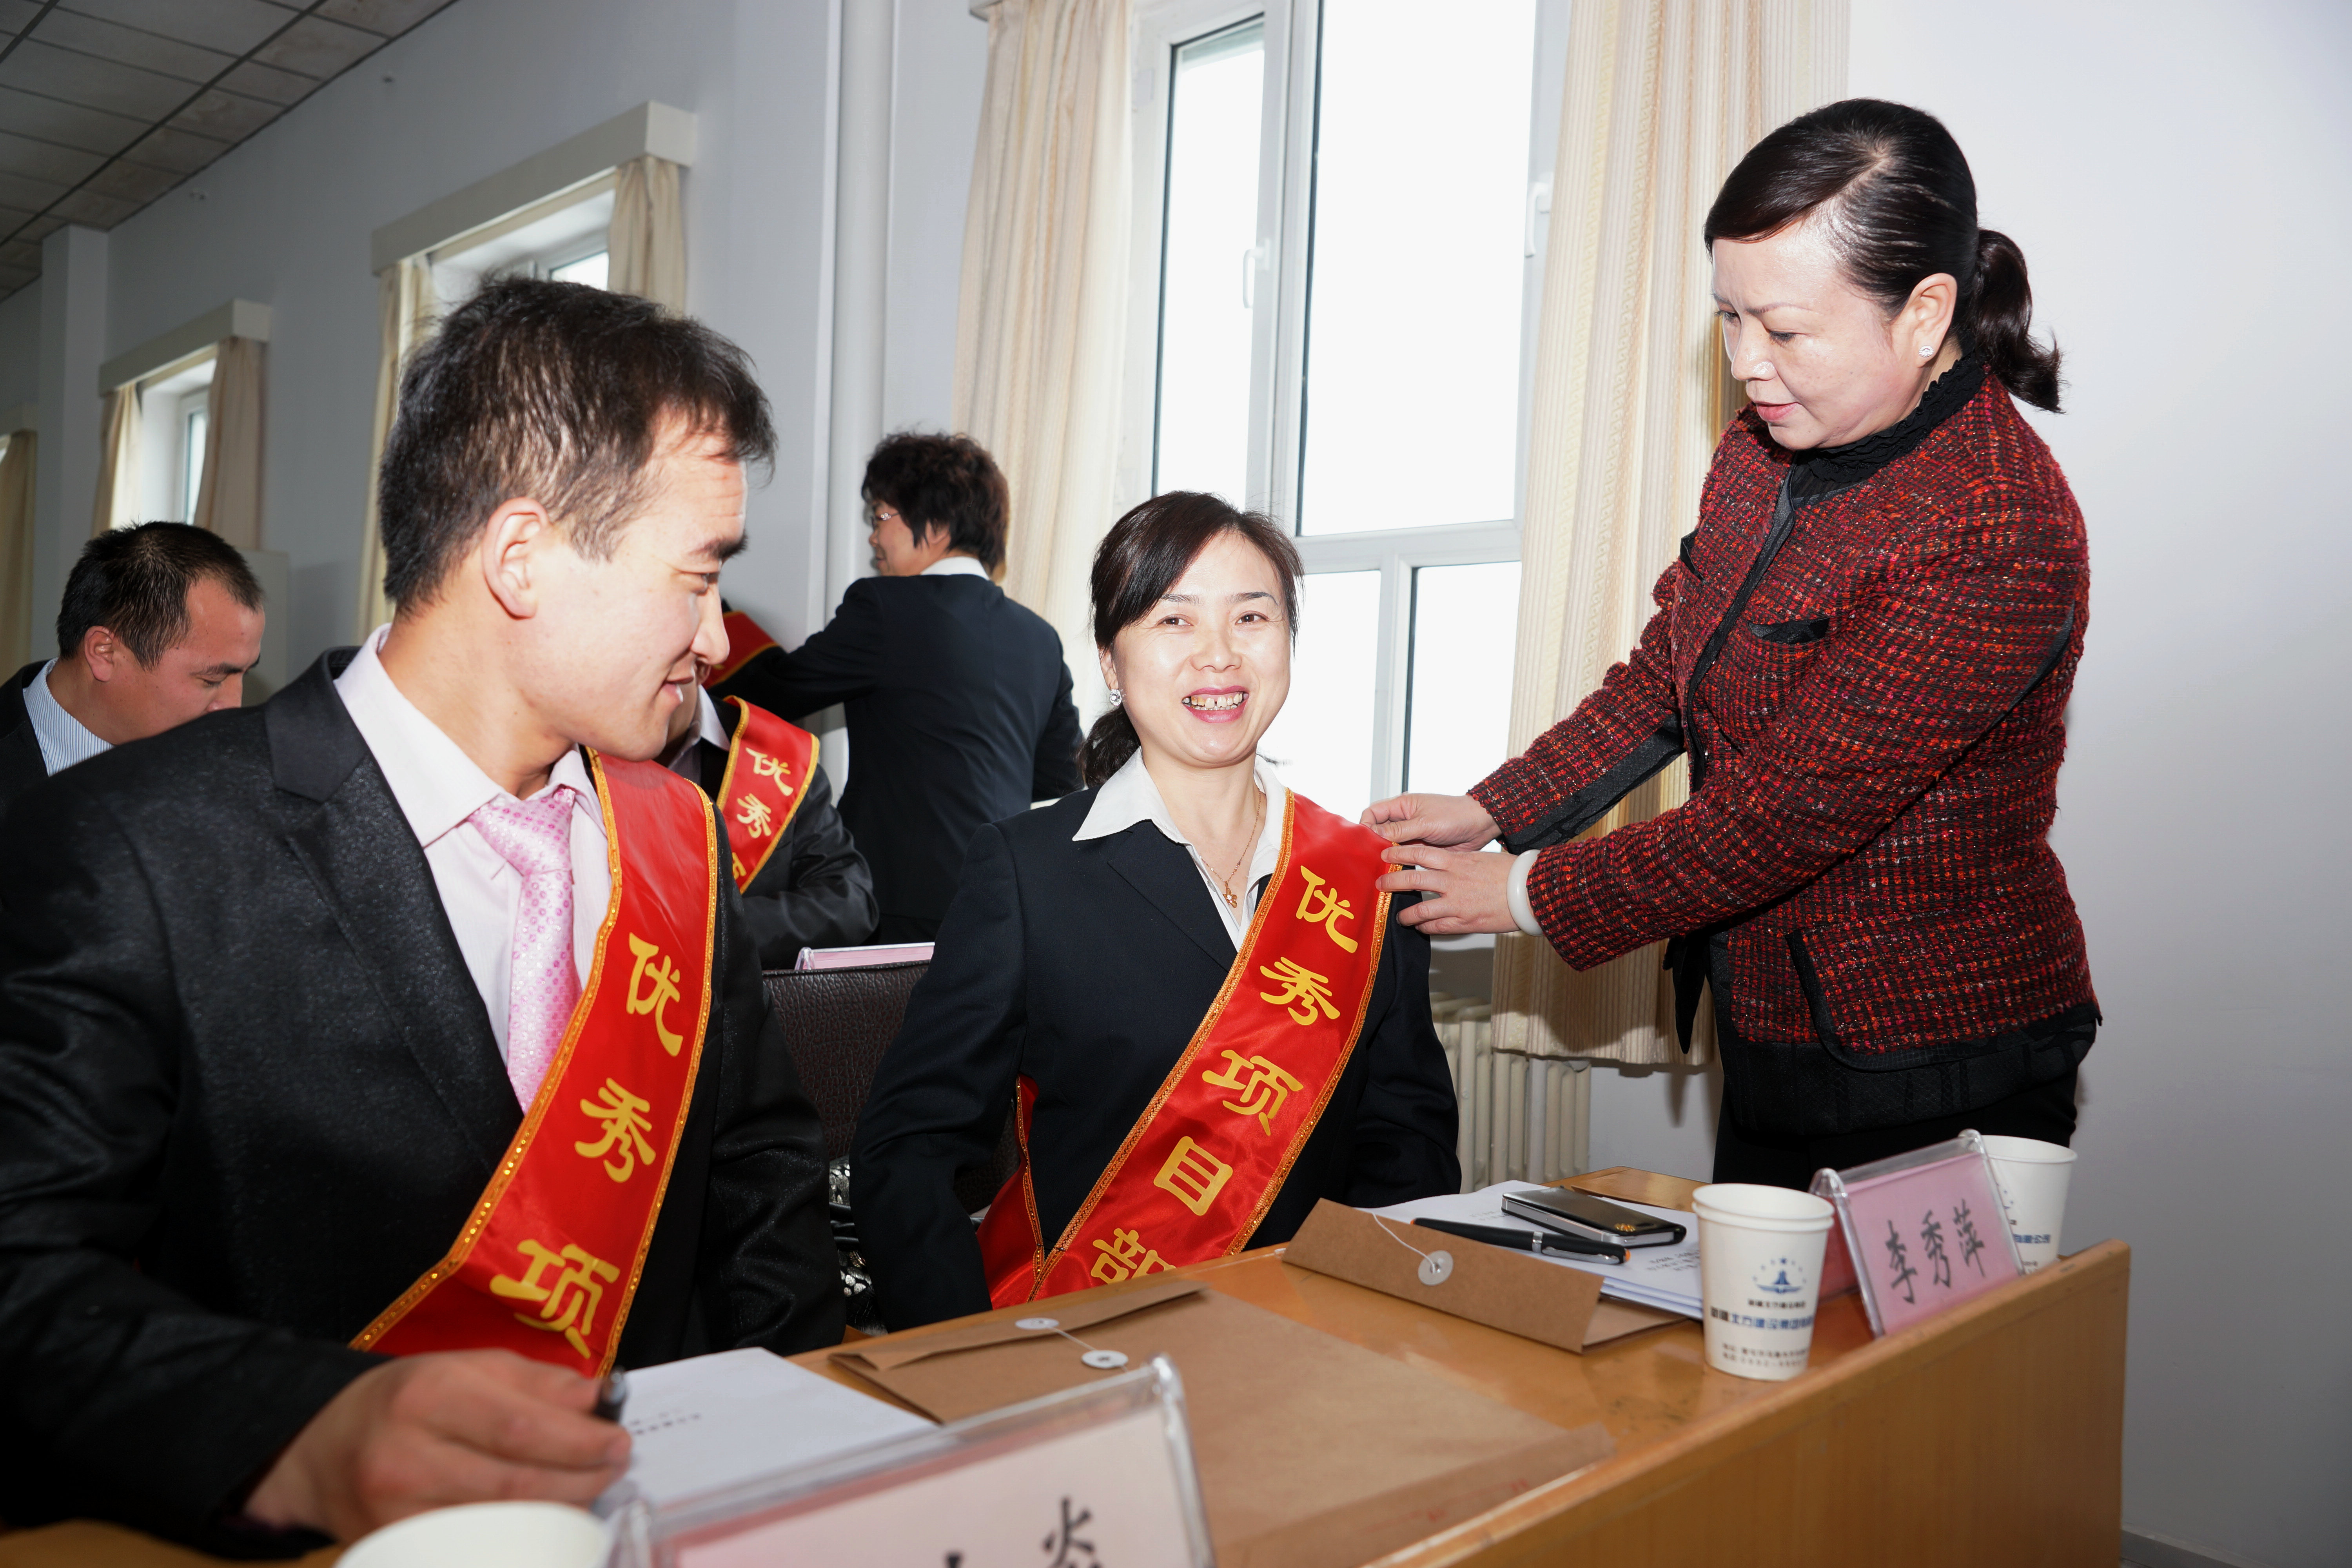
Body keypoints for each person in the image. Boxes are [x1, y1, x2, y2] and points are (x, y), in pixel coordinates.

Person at [0, 278, 841, 1550]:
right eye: (696, 578)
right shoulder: (130, 846)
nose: (718, 639)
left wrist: (794, 1467)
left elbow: (759, 1181)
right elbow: (26, 1273)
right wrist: (292, 1432)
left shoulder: (676, 837)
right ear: (520, 558)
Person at [1365, 100, 2095, 1189]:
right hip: (1774, 1032)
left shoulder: (1995, 524)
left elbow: (1778, 819)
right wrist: (1497, 808)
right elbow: (1673, 668)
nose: (1750, 363)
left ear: (1925, 313)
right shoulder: (1765, 444)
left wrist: (1521, 893)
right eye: (1729, 318)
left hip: (1934, 1060)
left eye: (1786, 331)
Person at [851, 492, 1459, 1330]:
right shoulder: (1026, 872)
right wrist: (969, 1359)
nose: (1219, 655)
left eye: (1252, 617)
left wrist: (1368, 1334)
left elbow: (1407, 1149)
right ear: (1110, 659)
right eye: (1175, 620)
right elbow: (907, 1149)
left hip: (1306, 1341)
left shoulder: (1366, 876)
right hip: (1088, 1345)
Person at [713, 432, 1083, 942]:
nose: (874, 538)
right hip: (1004, 904)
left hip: (896, 902)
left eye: (881, 516)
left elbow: (776, 692)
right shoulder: (1040, 637)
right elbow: (1062, 776)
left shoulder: (886, 608)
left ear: (937, 526)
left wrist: (715, 618)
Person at [0, 521, 264, 815]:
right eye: (211, 679)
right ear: (105, 653)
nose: (234, 707)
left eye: (245, 673)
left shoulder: (242, 776)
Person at [662, 657, 878, 963]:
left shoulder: (778, 759)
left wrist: (712, 929)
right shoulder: (591, 746)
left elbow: (849, 902)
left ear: (701, 662)